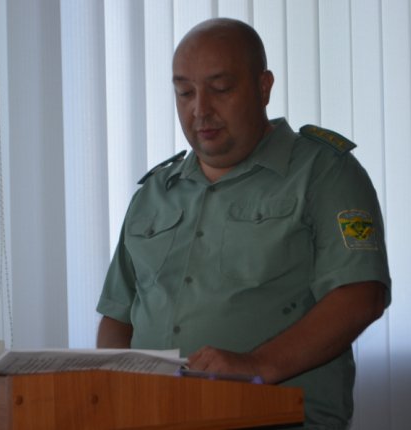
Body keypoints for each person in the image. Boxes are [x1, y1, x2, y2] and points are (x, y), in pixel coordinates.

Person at [96, 17, 391, 429]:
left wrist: (258, 364)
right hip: (155, 418)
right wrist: (113, 388)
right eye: (185, 92)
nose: (200, 109)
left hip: (277, 418)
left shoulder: (323, 172)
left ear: (263, 87)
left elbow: (360, 295)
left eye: (220, 88)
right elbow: (118, 316)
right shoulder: (155, 192)